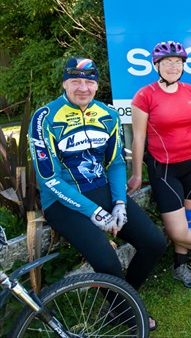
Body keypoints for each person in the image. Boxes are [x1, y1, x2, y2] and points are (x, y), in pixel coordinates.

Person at [29, 57, 166, 330]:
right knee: (106, 260)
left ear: (97, 84)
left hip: (100, 190)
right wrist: (94, 213)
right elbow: (49, 179)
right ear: (65, 83)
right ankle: (127, 311)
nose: (83, 88)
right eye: (75, 81)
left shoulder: (108, 114)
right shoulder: (44, 118)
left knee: (154, 243)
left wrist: (119, 204)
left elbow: (115, 163)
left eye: (89, 82)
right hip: (61, 200)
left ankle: (124, 299)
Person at [127, 41, 191, 288]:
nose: (173, 67)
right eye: (167, 62)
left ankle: (180, 267)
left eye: (178, 62)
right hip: (165, 169)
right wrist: (136, 173)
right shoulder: (144, 95)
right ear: (156, 65)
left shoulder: (189, 91)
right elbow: (139, 137)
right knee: (177, 231)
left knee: (187, 223)